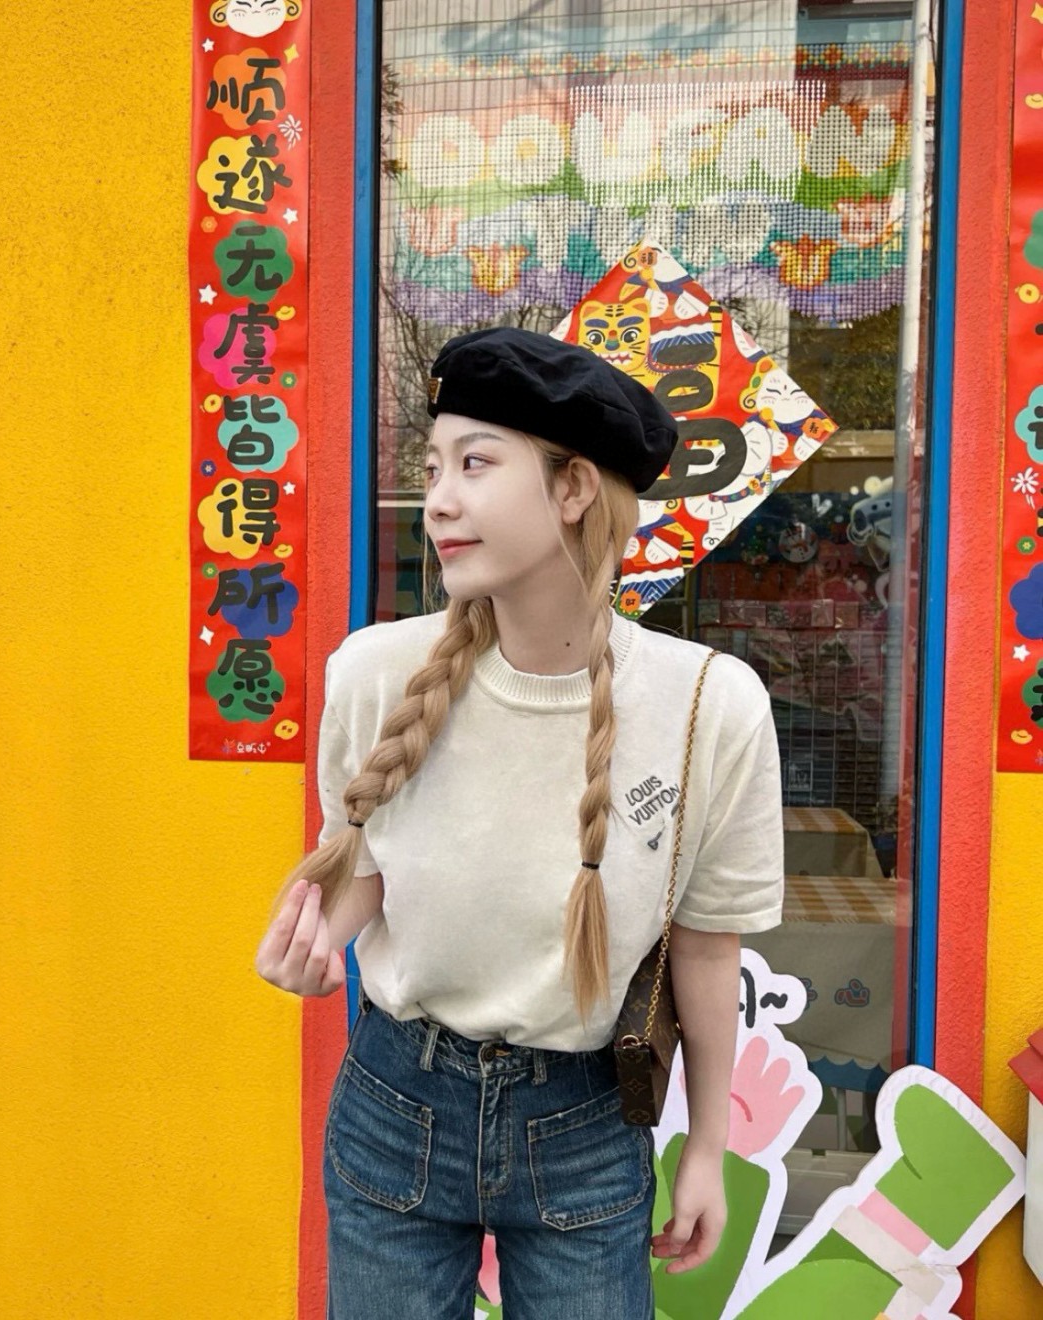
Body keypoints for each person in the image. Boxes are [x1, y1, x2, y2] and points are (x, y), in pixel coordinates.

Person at [254, 326, 785, 1320]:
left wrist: (708, 1146)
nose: (437, 499)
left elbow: (708, 947)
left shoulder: (712, 705)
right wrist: (315, 937)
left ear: (573, 488)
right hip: (394, 1107)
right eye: (432, 467)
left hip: (586, 1123)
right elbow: (369, 870)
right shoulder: (372, 674)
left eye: (475, 463)